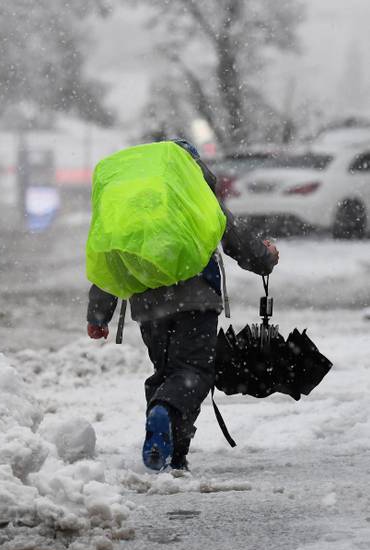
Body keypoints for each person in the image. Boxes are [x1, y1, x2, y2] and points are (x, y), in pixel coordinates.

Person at [86, 139, 280, 471]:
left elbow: (112, 258)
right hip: (196, 299)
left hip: (148, 303)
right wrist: (265, 258)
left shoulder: (141, 208)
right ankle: (164, 416)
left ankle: (172, 454)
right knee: (193, 373)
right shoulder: (195, 197)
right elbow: (234, 238)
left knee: (167, 373)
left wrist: (99, 313)